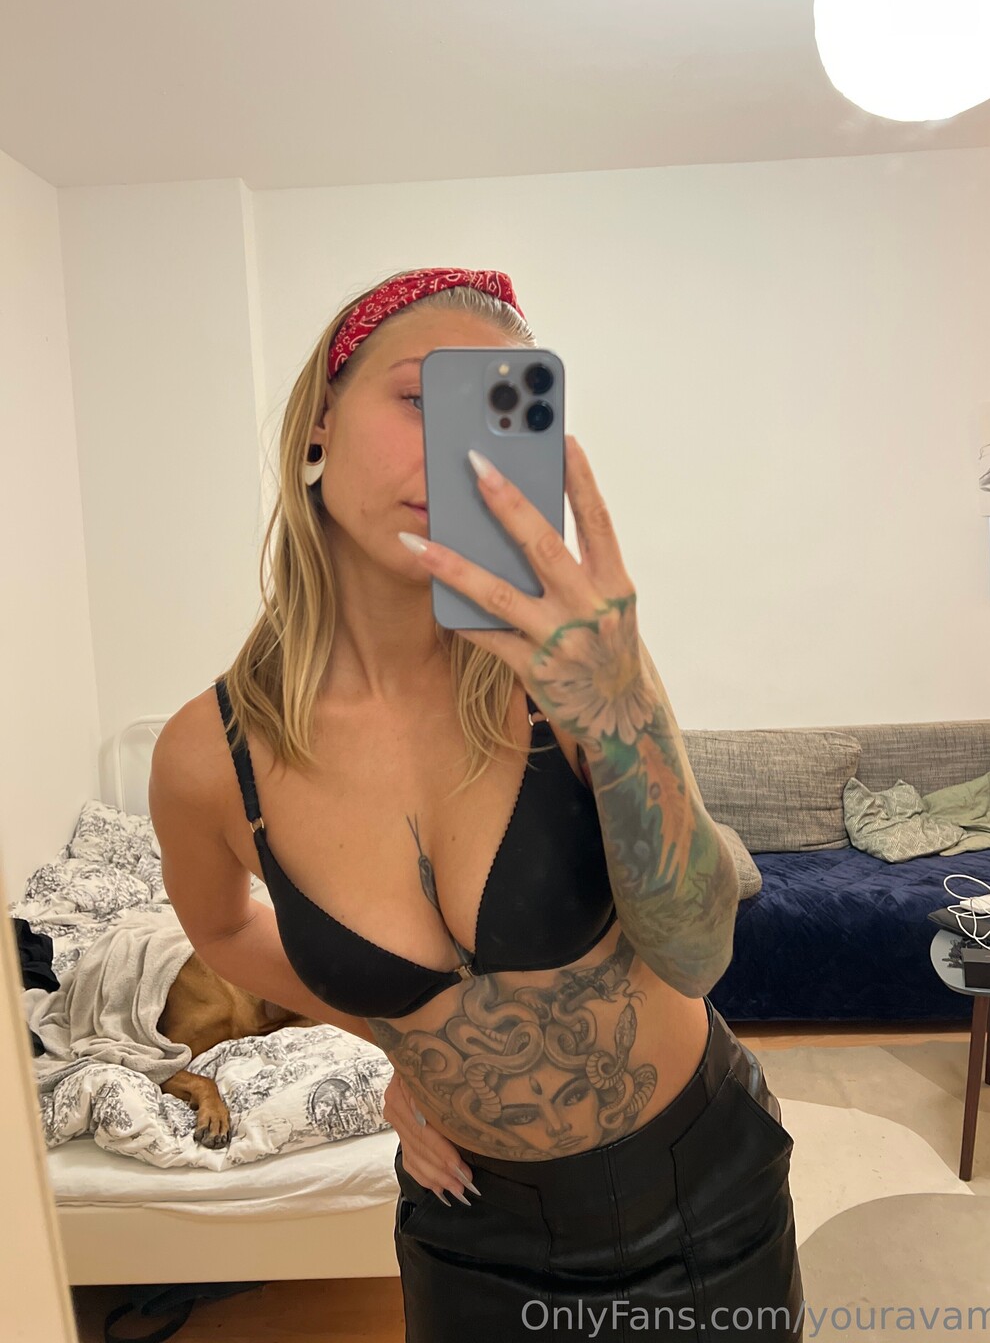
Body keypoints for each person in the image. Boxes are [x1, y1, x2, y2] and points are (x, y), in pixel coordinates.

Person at [151, 267, 804, 1341]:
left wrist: (626, 705)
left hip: (704, 1190)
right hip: (470, 1227)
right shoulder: (208, 757)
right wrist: (403, 1038)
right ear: (320, 420)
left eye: (501, 418)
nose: (459, 450)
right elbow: (221, 928)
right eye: (423, 398)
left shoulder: (566, 672)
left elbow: (696, 954)